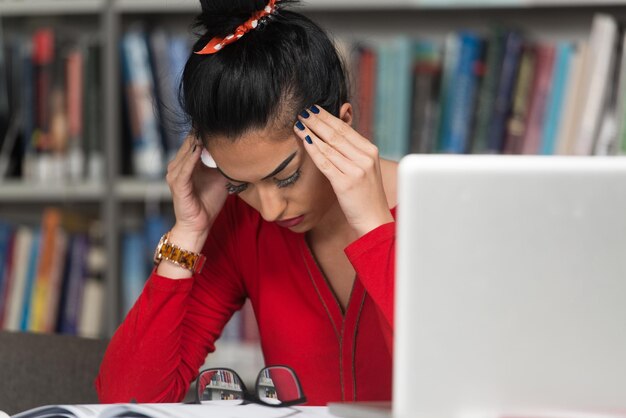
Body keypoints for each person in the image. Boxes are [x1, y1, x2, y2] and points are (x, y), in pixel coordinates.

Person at [95, 0, 397, 406]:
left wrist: (376, 230)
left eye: (286, 176)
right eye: (240, 185)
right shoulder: (243, 227)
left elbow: (456, 387)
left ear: (342, 126)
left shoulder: (440, 209)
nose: (270, 210)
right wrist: (189, 232)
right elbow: (125, 400)